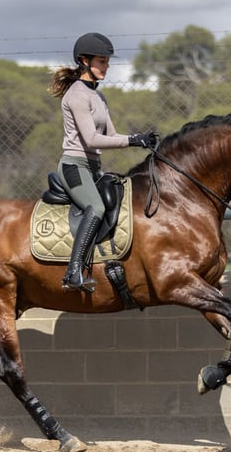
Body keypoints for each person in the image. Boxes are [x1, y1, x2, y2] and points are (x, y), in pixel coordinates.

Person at [48, 32, 158, 292]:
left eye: (107, 62)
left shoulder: (98, 96)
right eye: (101, 62)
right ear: (84, 61)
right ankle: (73, 272)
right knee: (96, 207)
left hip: (94, 167)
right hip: (75, 167)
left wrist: (140, 139)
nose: (106, 67)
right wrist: (132, 140)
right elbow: (92, 139)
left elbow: (110, 135)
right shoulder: (77, 95)